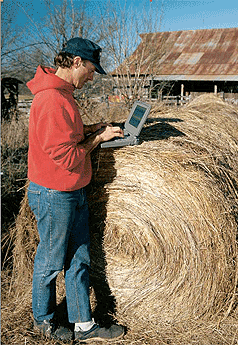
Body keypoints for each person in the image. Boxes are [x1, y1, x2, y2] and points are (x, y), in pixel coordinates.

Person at [26, 37, 125, 342]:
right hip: (56, 193)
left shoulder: (63, 94)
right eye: (92, 70)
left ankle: (84, 324)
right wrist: (98, 140)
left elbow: (66, 136)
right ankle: (43, 321)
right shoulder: (51, 100)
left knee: (79, 259)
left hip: (72, 190)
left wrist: (92, 129)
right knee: (52, 260)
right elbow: (67, 157)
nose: (93, 77)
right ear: (77, 62)